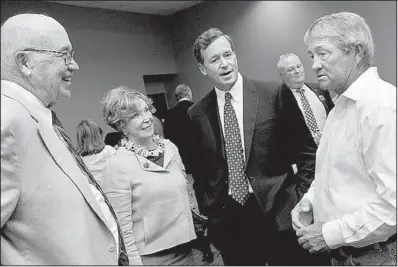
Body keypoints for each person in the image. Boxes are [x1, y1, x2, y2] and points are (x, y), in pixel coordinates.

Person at [1, 14, 130, 265]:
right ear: (25, 62)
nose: (74, 65)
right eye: (65, 55)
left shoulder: (34, 115)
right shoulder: (6, 120)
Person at [188, 27, 320, 265]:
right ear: (202, 68)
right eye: (215, 60)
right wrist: (212, 213)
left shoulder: (272, 93)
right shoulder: (196, 113)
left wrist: (300, 198)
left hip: (280, 213)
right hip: (230, 222)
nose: (224, 64)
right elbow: (200, 172)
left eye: (228, 55)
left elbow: (308, 152)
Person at [292, 12, 396, 266]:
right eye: (311, 56)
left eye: (323, 53)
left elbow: (393, 206)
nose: (314, 65)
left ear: (357, 52)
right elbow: (332, 173)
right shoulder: (340, 107)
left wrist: (328, 234)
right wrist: (310, 202)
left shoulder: (380, 105)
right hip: (346, 255)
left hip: (378, 256)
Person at [101, 86, 197, 265]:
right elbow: (122, 227)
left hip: (186, 250)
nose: (146, 119)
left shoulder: (170, 148)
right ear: (121, 125)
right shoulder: (116, 165)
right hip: (152, 258)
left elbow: (187, 197)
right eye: (135, 115)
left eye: (146, 110)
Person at [277, 53, 334, 145]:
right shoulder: (278, 99)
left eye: (299, 66)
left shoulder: (320, 89)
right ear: (282, 76)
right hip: (301, 155)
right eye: (291, 69)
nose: (297, 71)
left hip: (329, 147)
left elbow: (333, 116)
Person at [163, 84, 195, 173]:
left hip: (182, 158)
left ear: (177, 97)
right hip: (200, 156)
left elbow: (167, 136)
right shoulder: (197, 108)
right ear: (189, 94)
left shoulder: (170, 114)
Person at [76, 119, 116, 184]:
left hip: (90, 192)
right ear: (97, 133)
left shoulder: (78, 160)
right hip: (109, 190)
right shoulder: (108, 151)